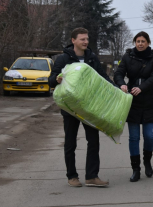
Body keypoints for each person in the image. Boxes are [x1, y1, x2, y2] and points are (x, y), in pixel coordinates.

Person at [49, 27, 114, 188]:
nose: (85, 42)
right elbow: (50, 80)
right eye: (82, 39)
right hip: (70, 108)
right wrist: (56, 80)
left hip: (90, 107)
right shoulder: (63, 59)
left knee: (93, 141)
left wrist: (116, 89)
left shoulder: (92, 58)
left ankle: (92, 176)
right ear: (73, 41)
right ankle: (72, 176)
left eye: (87, 39)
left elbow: (103, 77)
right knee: (70, 143)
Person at [114, 31, 153, 182]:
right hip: (132, 101)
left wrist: (142, 88)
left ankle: (147, 160)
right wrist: (121, 84)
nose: (140, 43)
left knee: (149, 135)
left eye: (143, 41)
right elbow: (118, 73)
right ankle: (135, 169)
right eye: (138, 41)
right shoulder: (128, 57)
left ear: (148, 43)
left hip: (149, 100)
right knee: (133, 137)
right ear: (134, 42)